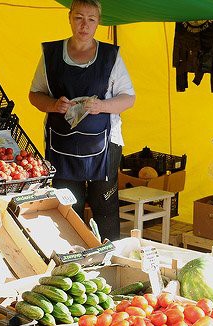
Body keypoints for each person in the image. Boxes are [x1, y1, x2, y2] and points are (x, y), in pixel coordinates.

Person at [29, 0, 135, 242]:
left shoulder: (111, 56)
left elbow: (128, 98)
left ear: (98, 22)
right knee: (67, 207)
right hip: (61, 146)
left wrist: (102, 106)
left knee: (105, 207)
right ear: (69, 18)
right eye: (79, 18)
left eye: (91, 19)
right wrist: (53, 105)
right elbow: (35, 94)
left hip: (104, 147)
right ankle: (72, 257)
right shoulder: (51, 54)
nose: (84, 25)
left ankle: (111, 258)